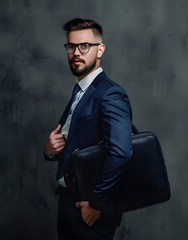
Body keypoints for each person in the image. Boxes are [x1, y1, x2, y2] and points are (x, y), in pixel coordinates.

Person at [44, 18, 133, 240]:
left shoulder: (110, 93)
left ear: (100, 49)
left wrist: (97, 204)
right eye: (71, 46)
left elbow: (121, 152)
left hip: (89, 210)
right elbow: (78, 144)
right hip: (68, 203)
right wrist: (49, 150)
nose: (76, 52)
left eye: (84, 46)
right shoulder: (81, 90)